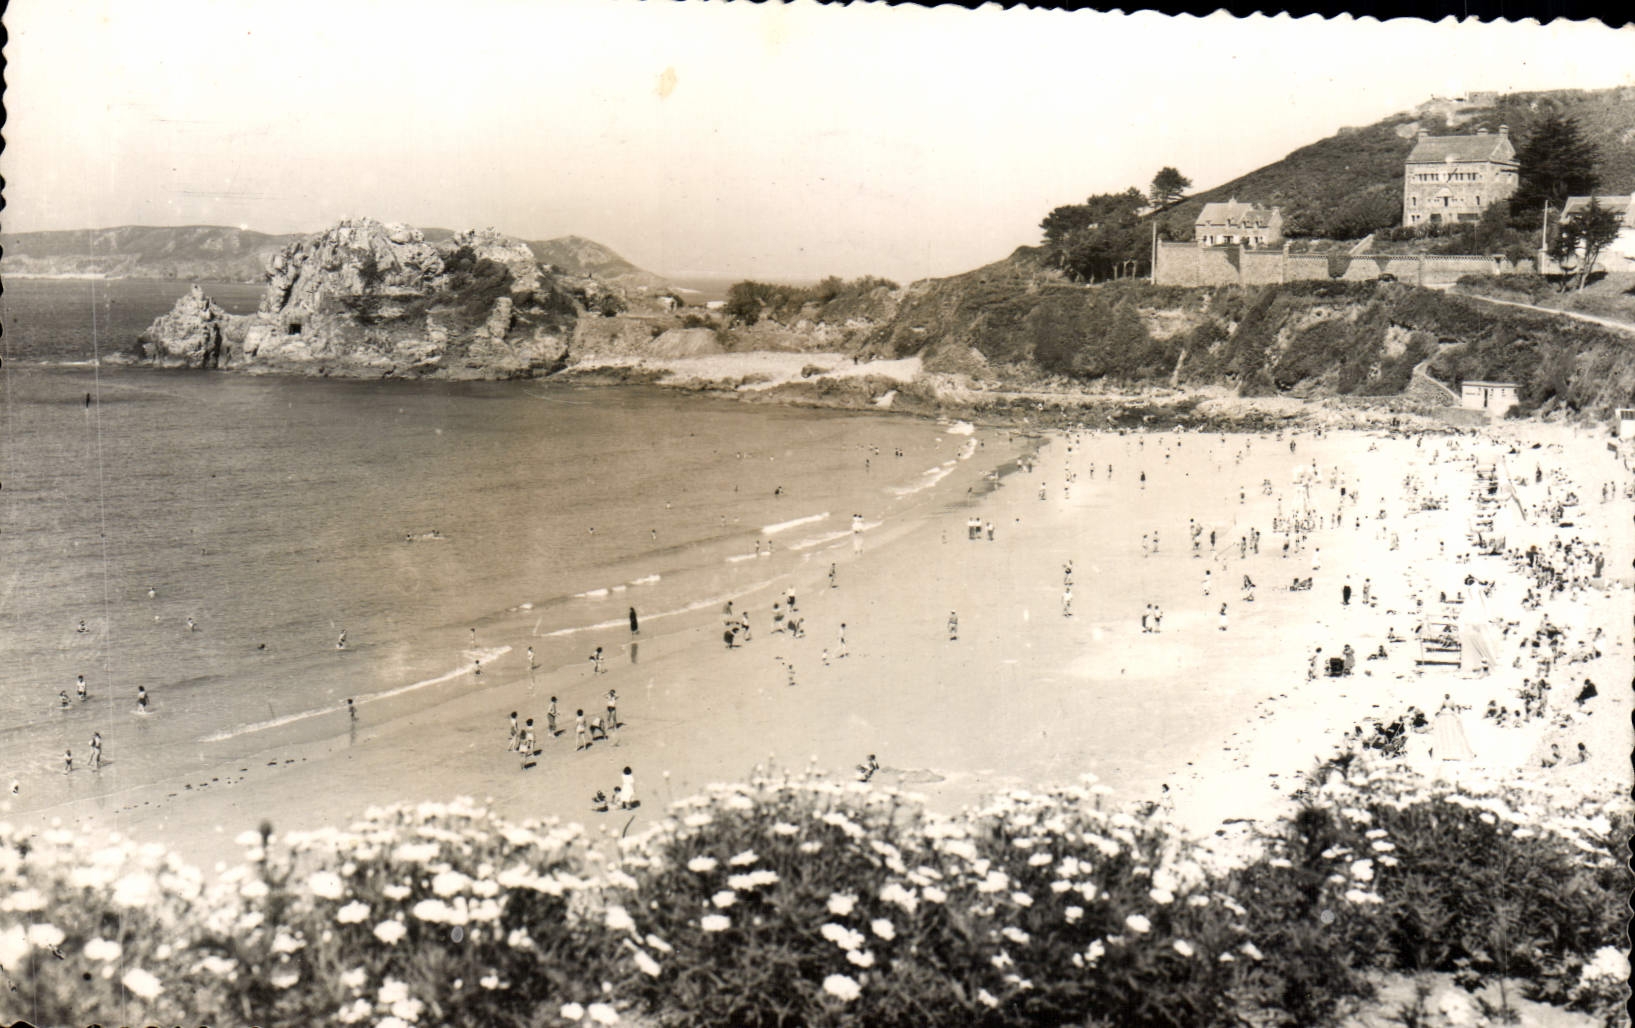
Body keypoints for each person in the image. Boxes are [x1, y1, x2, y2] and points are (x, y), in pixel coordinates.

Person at [1432, 694, 1475, 761]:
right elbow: (1453, 708)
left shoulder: (1445, 702)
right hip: (1450, 714)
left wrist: (1439, 712)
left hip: (1446, 713)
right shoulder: (1450, 702)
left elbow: (1440, 708)